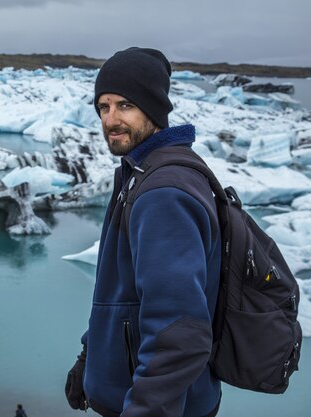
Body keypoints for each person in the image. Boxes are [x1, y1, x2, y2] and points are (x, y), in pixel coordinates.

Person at [65, 47, 222, 417]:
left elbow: (179, 334)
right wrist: (90, 357)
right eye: (104, 107)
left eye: (125, 106)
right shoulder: (139, 173)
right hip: (130, 395)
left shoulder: (163, 193)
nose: (111, 119)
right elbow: (120, 295)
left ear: (153, 109)